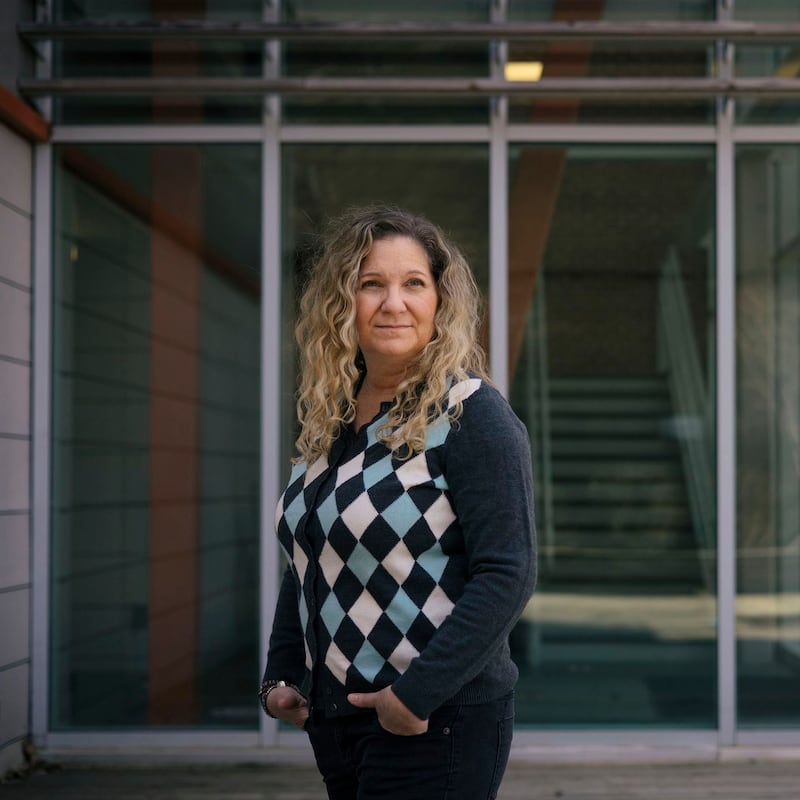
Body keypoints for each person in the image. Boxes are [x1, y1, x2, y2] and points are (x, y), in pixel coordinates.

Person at [260, 206, 536, 800]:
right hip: (338, 724)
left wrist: (413, 697)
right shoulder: (332, 422)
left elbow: (508, 573)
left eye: (414, 283)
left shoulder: (472, 416)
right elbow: (312, 556)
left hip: (434, 720)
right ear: (341, 305)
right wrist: (281, 674)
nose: (393, 302)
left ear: (440, 302)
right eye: (370, 284)